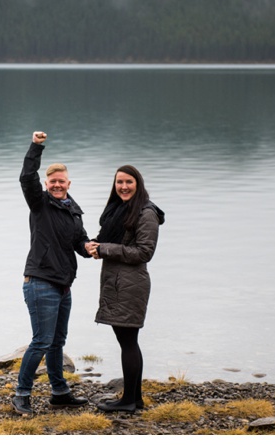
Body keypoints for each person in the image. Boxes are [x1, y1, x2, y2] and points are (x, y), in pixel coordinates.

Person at [12, 131, 91, 416]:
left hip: (63, 286)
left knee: (57, 342)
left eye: (62, 181)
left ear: (69, 184)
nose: (57, 185)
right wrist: (36, 146)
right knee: (41, 341)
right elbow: (26, 177)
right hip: (40, 282)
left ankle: (59, 393)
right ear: (47, 184)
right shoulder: (40, 203)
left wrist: (90, 246)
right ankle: (21, 394)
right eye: (53, 181)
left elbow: (78, 243)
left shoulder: (74, 211)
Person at [85, 165, 165, 413]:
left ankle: (129, 400)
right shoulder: (118, 210)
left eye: (129, 182)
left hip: (131, 284)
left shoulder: (146, 213)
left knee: (129, 341)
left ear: (138, 184)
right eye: (119, 182)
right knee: (126, 340)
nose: (123, 186)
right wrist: (94, 245)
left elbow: (144, 252)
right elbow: (109, 239)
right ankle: (134, 398)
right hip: (117, 281)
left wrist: (105, 249)